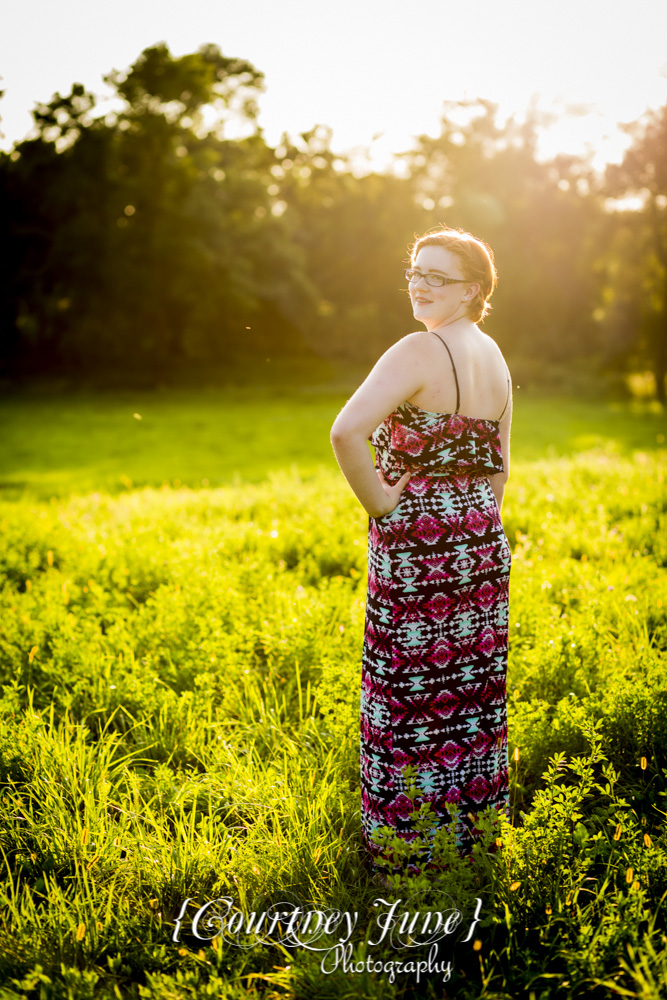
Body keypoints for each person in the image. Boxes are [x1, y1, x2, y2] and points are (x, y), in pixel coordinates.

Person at [330, 226, 511, 871]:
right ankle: (469, 838)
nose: (420, 284)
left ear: (471, 290)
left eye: (437, 276)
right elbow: (499, 469)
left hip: (418, 539)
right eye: (414, 270)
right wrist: (475, 523)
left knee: (409, 686)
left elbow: (346, 430)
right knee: (470, 694)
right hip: (482, 543)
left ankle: (407, 849)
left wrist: (381, 503)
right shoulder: (495, 357)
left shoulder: (418, 349)